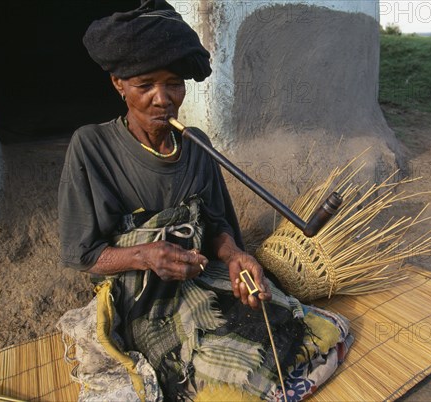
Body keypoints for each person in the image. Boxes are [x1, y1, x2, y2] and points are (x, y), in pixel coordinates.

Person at [58, 1, 351, 401]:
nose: (162, 99)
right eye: (145, 86)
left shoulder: (197, 144)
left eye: (174, 84)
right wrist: (146, 256)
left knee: (298, 327)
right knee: (229, 380)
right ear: (118, 84)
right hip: (143, 298)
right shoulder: (92, 146)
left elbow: (215, 224)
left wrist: (233, 257)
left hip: (201, 279)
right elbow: (83, 254)